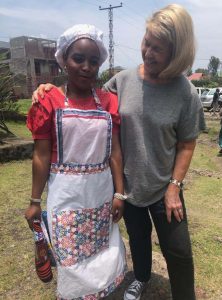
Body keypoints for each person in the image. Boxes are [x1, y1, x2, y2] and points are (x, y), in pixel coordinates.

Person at [32, 4, 205, 300]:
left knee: (177, 248)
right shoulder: (123, 81)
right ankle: (140, 277)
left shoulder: (185, 92)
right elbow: (86, 92)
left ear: (177, 53)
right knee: (138, 238)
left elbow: (187, 143)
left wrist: (175, 186)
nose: (148, 52)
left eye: (158, 48)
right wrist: (50, 88)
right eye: (146, 42)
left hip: (165, 187)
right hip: (127, 186)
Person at [24, 24, 127, 300]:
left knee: (101, 252)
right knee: (70, 260)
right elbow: (41, 155)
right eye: (78, 59)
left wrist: (119, 192)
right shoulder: (49, 100)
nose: (86, 66)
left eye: (93, 61)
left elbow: (115, 152)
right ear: (63, 61)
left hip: (101, 195)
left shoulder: (109, 102)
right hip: (66, 198)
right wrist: (35, 202)